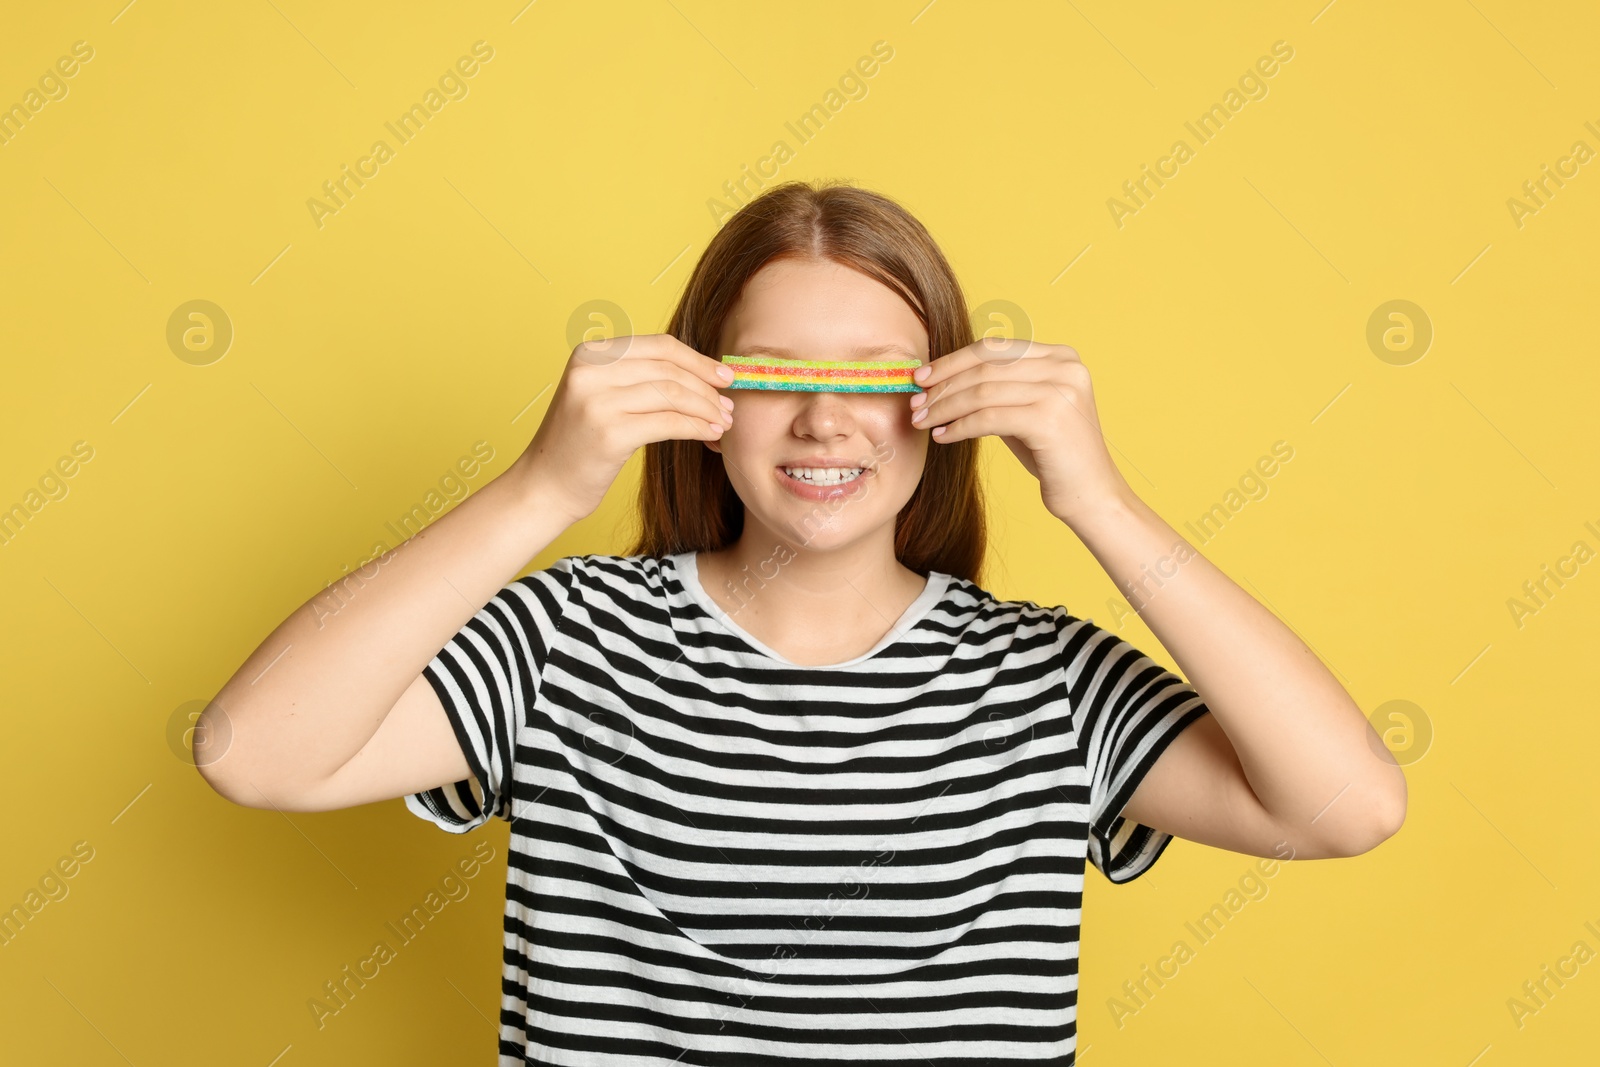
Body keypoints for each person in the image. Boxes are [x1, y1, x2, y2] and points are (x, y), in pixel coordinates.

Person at [196, 179, 1406, 1064]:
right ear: (702, 403)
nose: (827, 421)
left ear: (941, 406)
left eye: (878, 378)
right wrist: (542, 487)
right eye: (772, 376)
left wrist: (1096, 495)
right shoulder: (569, 639)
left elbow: (1345, 806)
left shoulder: (1045, 679)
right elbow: (252, 753)